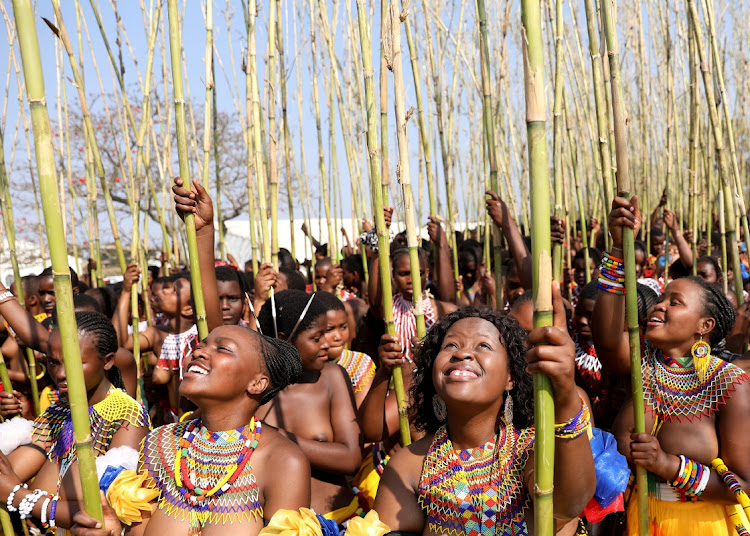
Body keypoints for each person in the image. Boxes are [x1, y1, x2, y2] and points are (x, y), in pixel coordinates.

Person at [373, 288, 596, 534]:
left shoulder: (532, 449)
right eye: (450, 345)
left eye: (483, 345)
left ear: (511, 378)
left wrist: (564, 392)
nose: (462, 353)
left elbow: (569, 503)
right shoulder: (409, 466)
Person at [593, 195, 750, 535]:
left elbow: (744, 485)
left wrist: (669, 466)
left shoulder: (730, 384)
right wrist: (618, 249)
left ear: (703, 326)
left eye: (674, 302)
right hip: (638, 519)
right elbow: (606, 340)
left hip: (700, 525)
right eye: (660, 299)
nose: (658, 307)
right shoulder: (644, 366)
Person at [0, 311, 149, 531]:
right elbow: (15, 468)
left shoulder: (127, 416)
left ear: (107, 361)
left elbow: (101, 515)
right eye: (52, 362)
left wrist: (19, 496)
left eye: (73, 363)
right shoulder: (58, 410)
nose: (60, 373)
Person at [255, 289, 364, 521]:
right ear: (284, 339)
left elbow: (351, 458)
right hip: (275, 526)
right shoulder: (255, 387)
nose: (327, 344)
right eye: (316, 338)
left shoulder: (332, 377)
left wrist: (276, 436)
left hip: (337, 519)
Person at [316, 291, 376, 408]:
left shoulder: (360, 364)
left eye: (343, 327)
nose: (338, 337)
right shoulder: (302, 367)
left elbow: (361, 414)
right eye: (329, 330)